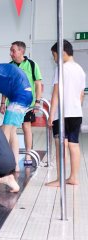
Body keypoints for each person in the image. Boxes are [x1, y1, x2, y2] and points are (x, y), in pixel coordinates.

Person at [46, 40, 86, 187]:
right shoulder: (80, 70)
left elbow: (55, 94)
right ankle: (74, 177)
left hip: (62, 114)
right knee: (74, 145)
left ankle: (60, 179)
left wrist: (51, 115)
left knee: (60, 146)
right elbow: (81, 94)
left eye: (54, 55)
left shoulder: (61, 69)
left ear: (62, 53)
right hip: (76, 113)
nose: (54, 59)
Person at [9, 41, 43, 167]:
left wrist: (37, 101)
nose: (11, 53)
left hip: (27, 103)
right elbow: (6, 86)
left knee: (26, 127)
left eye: (13, 50)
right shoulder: (10, 66)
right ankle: (13, 157)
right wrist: (2, 102)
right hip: (12, 102)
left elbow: (38, 84)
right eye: (11, 50)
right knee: (11, 129)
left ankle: (28, 155)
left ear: (21, 51)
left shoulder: (32, 65)